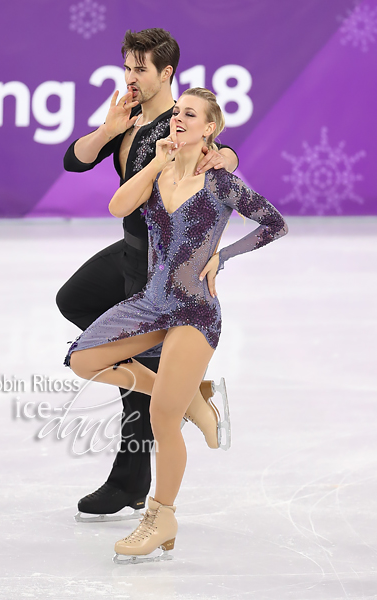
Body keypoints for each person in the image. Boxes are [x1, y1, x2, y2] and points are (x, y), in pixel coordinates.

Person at [64, 87, 288, 562]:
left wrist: (222, 257)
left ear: (209, 128)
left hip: (194, 308)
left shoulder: (220, 181)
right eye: (177, 113)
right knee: (83, 359)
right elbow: (118, 207)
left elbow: (273, 223)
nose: (178, 119)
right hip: (151, 303)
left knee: (161, 417)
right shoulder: (160, 170)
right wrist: (153, 163)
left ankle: (161, 515)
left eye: (190, 114)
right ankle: (192, 398)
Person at [56, 28, 239, 521]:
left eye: (142, 69)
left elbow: (220, 160)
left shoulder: (181, 124)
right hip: (130, 251)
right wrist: (108, 128)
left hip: (163, 266)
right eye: (127, 67)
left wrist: (227, 157)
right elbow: (75, 161)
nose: (132, 78)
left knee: (137, 369)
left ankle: (132, 483)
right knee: (73, 299)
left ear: (167, 74)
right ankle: (180, 393)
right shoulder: (129, 116)